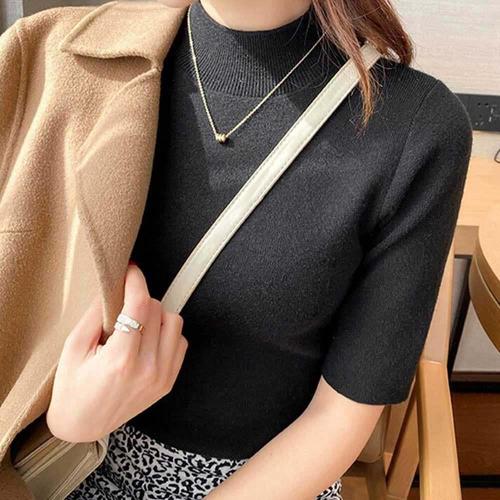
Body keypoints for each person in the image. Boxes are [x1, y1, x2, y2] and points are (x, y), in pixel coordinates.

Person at [0, 0, 473, 498]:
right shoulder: (45, 56)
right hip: (45, 467)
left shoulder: (418, 129)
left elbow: (340, 415)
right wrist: (62, 424)